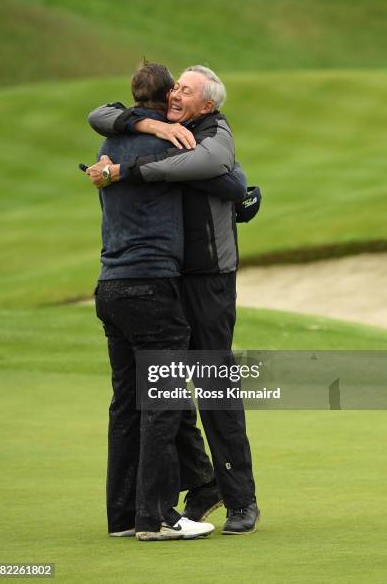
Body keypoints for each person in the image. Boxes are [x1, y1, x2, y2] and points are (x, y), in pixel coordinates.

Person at [87, 65, 261, 535]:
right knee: (163, 393)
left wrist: (131, 171)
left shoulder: (213, 130)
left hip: (207, 278)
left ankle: (240, 498)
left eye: (187, 90)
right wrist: (149, 124)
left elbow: (224, 176)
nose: (177, 95)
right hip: (162, 280)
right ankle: (203, 481)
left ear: (207, 104)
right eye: (175, 88)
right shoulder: (163, 128)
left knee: (212, 385)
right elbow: (100, 113)